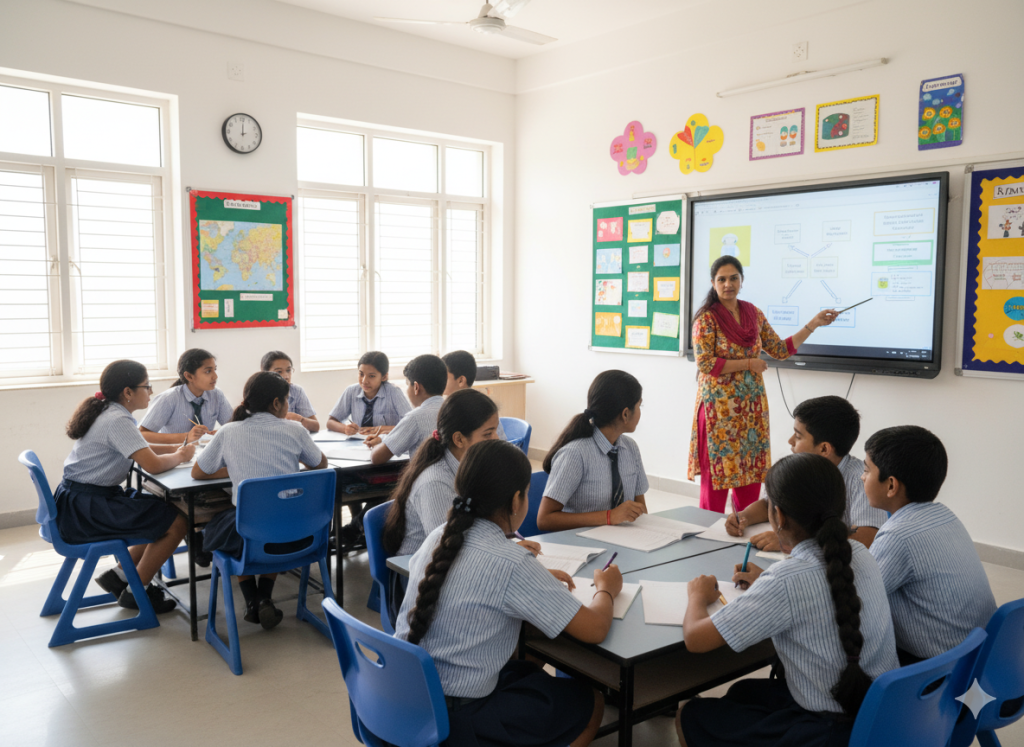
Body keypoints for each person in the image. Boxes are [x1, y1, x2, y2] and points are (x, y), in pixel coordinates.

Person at [395, 439, 620, 747]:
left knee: (526, 668)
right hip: (461, 719)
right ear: (516, 501)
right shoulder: (511, 562)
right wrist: (606, 590)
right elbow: (595, 628)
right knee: (589, 700)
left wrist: (531, 575)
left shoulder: (439, 537)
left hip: (410, 699)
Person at [678, 453, 898, 746]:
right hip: (877, 715)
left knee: (690, 713)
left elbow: (695, 639)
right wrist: (766, 586)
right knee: (742, 692)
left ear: (778, 517)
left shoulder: (785, 580)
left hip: (824, 731)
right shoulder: (860, 555)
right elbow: (814, 591)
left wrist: (697, 595)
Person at [688, 257, 837, 514]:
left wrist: (813, 324)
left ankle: (745, 528)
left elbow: (779, 350)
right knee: (716, 485)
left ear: (741, 280)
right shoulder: (707, 319)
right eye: (721, 279)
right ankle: (706, 538)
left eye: (733, 278)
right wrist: (748, 363)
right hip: (719, 413)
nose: (728, 284)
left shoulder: (753, 314)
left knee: (750, 477)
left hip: (751, 413)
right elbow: (705, 363)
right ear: (713, 283)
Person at [192, 371, 329, 629]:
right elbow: (321, 463)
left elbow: (198, 472)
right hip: (300, 534)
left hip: (249, 537)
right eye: (287, 400)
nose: (288, 406)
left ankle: (251, 600)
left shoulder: (229, 431)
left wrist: (234, 467)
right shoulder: (295, 430)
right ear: (276, 403)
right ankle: (263, 597)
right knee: (275, 518)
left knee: (235, 525)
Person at [57, 359, 191, 613]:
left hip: (80, 499)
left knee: (160, 508)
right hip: (88, 508)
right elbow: (151, 464)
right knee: (176, 522)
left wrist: (175, 449)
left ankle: (119, 575)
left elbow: (139, 446)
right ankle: (135, 591)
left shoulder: (108, 411)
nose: (151, 392)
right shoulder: (118, 420)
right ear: (127, 392)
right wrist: (182, 457)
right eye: (147, 386)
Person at [863, 425, 996, 665]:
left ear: (891, 485)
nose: (861, 477)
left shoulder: (898, 536)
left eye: (866, 470)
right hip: (981, 658)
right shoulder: (945, 515)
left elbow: (858, 598)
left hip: (939, 670)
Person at [725, 395, 887, 550]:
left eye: (798, 435)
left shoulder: (861, 480)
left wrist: (794, 541)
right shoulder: (796, 469)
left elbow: (867, 538)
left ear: (824, 448)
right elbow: (770, 504)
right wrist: (743, 517)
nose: (790, 441)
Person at [537, 370, 648, 532]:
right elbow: (545, 520)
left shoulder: (630, 448)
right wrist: (609, 517)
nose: (640, 411)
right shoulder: (575, 454)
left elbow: (641, 510)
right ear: (625, 414)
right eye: (639, 405)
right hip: (581, 545)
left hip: (623, 540)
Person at [366, 354, 447, 465]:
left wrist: (379, 445)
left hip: (427, 480)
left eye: (408, 385)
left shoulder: (415, 417)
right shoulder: (454, 409)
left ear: (416, 388)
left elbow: (377, 458)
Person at [140, 348, 233, 444]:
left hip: (205, 453)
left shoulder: (216, 394)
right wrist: (186, 437)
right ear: (189, 376)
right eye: (208, 371)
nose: (215, 376)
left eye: (215, 369)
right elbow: (142, 433)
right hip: (174, 454)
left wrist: (220, 433)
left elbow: (233, 425)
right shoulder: (168, 398)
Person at [327, 351, 410, 435]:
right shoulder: (351, 391)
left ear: (384, 377)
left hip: (385, 443)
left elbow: (409, 425)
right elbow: (330, 422)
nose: (364, 381)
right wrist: (345, 428)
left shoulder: (394, 392)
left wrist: (379, 429)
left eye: (371, 376)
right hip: (358, 443)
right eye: (361, 374)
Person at [442, 349, 507, 439]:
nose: (440, 381)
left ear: (461, 380)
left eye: (444, 377)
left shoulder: (480, 407)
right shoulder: (447, 404)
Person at [261, 350, 319, 432]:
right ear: (265, 373)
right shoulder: (258, 392)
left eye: (288, 370)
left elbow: (316, 426)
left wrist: (300, 419)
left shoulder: (296, 391)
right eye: (279, 372)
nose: (286, 376)